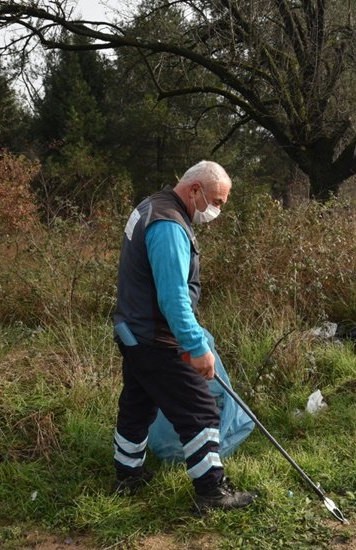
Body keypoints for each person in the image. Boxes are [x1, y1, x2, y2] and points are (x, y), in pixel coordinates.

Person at [111, 160, 255, 512]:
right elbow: (173, 296)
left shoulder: (151, 206)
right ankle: (211, 492)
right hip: (156, 338)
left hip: (133, 332)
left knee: (137, 404)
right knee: (201, 410)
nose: (217, 210)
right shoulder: (169, 225)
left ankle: (127, 475)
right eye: (217, 201)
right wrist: (195, 345)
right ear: (194, 190)